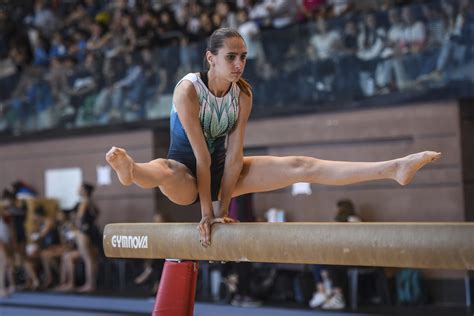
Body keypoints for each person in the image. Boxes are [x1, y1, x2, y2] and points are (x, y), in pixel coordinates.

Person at [105, 27, 441, 248]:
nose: (239, 64)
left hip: (223, 172)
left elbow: (233, 157)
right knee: (166, 169)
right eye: (231, 57)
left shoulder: (243, 95)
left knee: (301, 164)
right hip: (187, 175)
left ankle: (393, 168)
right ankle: (131, 171)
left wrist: (224, 208)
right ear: (211, 58)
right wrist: (209, 214)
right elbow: (201, 157)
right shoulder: (187, 90)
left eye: (243, 57)